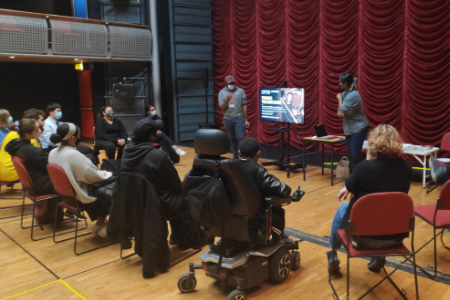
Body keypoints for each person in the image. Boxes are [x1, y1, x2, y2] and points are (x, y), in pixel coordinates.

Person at [327, 124, 412, 275]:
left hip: (362, 238)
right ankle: (379, 257)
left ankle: (332, 252)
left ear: (373, 144)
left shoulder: (365, 168)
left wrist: (368, 158)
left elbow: (351, 184)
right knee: (386, 210)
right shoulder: (407, 168)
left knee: (342, 209)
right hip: (395, 236)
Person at [121, 120, 188, 244]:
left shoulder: (126, 152)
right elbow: (175, 184)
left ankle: (178, 234)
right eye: (156, 131)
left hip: (134, 203)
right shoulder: (157, 155)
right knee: (186, 196)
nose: (159, 133)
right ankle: (183, 236)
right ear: (151, 136)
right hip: (157, 203)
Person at [49, 123, 113, 238]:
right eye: (78, 136)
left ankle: (100, 224)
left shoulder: (52, 152)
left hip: (65, 196)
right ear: (73, 138)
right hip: (80, 197)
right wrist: (108, 174)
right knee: (115, 188)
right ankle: (111, 227)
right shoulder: (72, 154)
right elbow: (93, 176)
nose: (79, 138)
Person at [5, 119, 59, 224]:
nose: (40, 130)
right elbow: (49, 164)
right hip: (39, 184)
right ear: (27, 133)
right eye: (37, 129)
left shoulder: (16, 145)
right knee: (68, 181)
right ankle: (74, 210)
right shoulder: (29, 150)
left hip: (30, 184)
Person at [237, 137, 291, 240]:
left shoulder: (229, 166)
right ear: (258, 154)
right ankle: (278, 237)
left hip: (233, 210)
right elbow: (283, 190)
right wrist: (261, 169)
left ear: (239, 153)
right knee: (277, 207)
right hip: (257, 213)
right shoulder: (258, 170)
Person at [336, 74, 370, 172]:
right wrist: (339, 112)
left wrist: (339, 99)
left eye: (340, 82)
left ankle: (365, 172)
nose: (339, 84)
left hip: (359, 127)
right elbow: (340, 110)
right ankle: (353, 178)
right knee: (351, 155)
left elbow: (345, 109)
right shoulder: (344, 94)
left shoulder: (354, 95)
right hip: (349, 128)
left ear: (345, 83)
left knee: (355, 154)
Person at [218, 75, 250, 158]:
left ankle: (244, 157)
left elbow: (244, 105)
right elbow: (222, 107)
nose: (232, 84)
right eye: (229, 83)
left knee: (241, 138)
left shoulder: (240, 91)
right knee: (232, 138)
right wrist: (226, 100)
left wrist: (246, 119)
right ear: (225, 83)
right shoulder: (222, 92)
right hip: (227, 119)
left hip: (239, 118)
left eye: (233, 83)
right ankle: (235, 157)